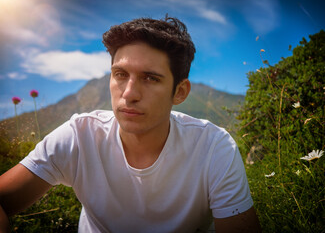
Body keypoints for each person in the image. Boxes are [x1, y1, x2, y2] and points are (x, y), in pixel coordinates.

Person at [0, 16, 261, 233]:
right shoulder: (80, 135)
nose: (129, 93)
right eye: (120, 75)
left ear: (180, 92)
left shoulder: (214, 146)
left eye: (150, 78)